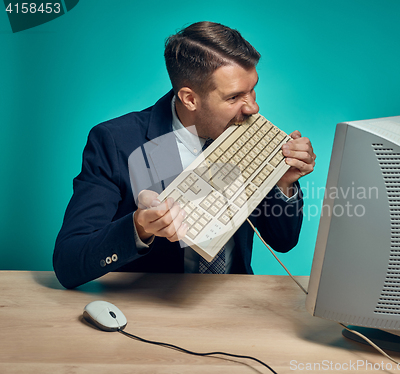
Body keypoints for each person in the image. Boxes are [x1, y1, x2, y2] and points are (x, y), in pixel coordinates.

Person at [53, 21, 316, 289]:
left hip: (235, 302)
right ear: (189, 98)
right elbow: (68, 262)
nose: (253, 107)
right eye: (235, 96)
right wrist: (139, 228)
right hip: (152, 307)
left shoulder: (245, 129)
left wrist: (284, 183)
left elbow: (283, 243)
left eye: (252, 89)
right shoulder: (115, 142)